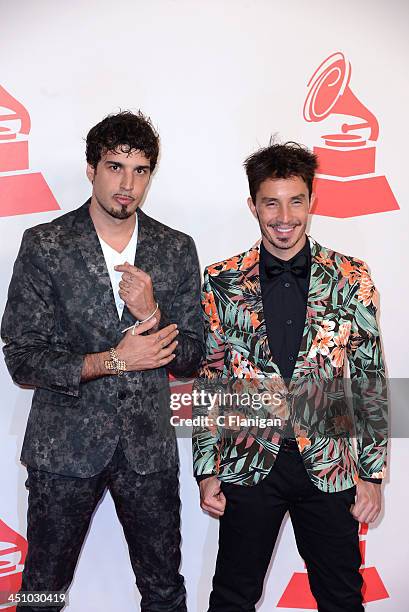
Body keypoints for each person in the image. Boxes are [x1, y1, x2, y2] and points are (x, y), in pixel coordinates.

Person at [2, 110, 203, 611]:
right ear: (91, 169)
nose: (127, 184)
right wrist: (114, 360)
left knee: (163, 592)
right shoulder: (47, 244)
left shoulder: (175, 248)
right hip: (63, 450)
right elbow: (22, 359)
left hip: (148, 454)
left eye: (140, 171)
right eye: (115, 167)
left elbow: (193, 357)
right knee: (43, 592)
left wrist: (152, 313)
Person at [192, 142, 387, 612]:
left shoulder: (350, 277)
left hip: (329, 464)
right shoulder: (221, 280)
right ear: (253, 205)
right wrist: (206, 468)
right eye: (271, 202)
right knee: (232, 597)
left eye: (296, 200)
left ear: (312, 200)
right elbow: (209, 381)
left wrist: (372, 473)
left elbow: (369, 379)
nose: (284, 215)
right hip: (249, 462)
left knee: (341, 597)